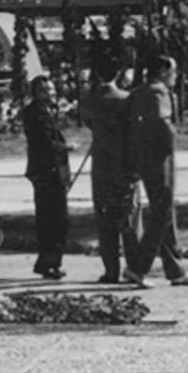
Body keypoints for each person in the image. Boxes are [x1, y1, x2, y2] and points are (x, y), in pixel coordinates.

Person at [124, 55, 188, 289]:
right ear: (164, 72)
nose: (175, 77)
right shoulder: (159, 92)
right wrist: (172, 138)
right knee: (162, 212)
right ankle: (138, 267)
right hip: (160, 159)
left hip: (144, 159)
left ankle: (175, 269)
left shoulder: (138, 92)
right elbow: (161, 123)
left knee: (165, 213)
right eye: (173, 72)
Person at [79, 67, 142, 284]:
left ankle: (111, 270)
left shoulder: (89, 101)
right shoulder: (127, 99)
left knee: (105, 222)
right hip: (125, 166)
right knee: (130, 220)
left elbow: (87, 122)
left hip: (102, 167)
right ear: (117, 74)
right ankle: (135, 267)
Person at [21, 77, 72, 279]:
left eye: (51, 89)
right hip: (46, 173)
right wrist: (66, 147)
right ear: (37, 92)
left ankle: (49, 261)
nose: (51, 93)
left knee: (51, 219)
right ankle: (50, 263)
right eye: (45, 90)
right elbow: (45, 143)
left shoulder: (46, 111)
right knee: (56, 219)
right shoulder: (36, 113)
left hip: (50, 172)